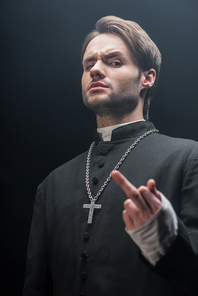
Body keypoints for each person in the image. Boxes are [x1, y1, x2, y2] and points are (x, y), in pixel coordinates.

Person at [23, 16, 198, 296]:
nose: (95, 70)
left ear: (147, 77)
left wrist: (163, 240)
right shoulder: (52, 185)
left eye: (113, 62)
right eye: (88, 64)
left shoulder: (189, 159)